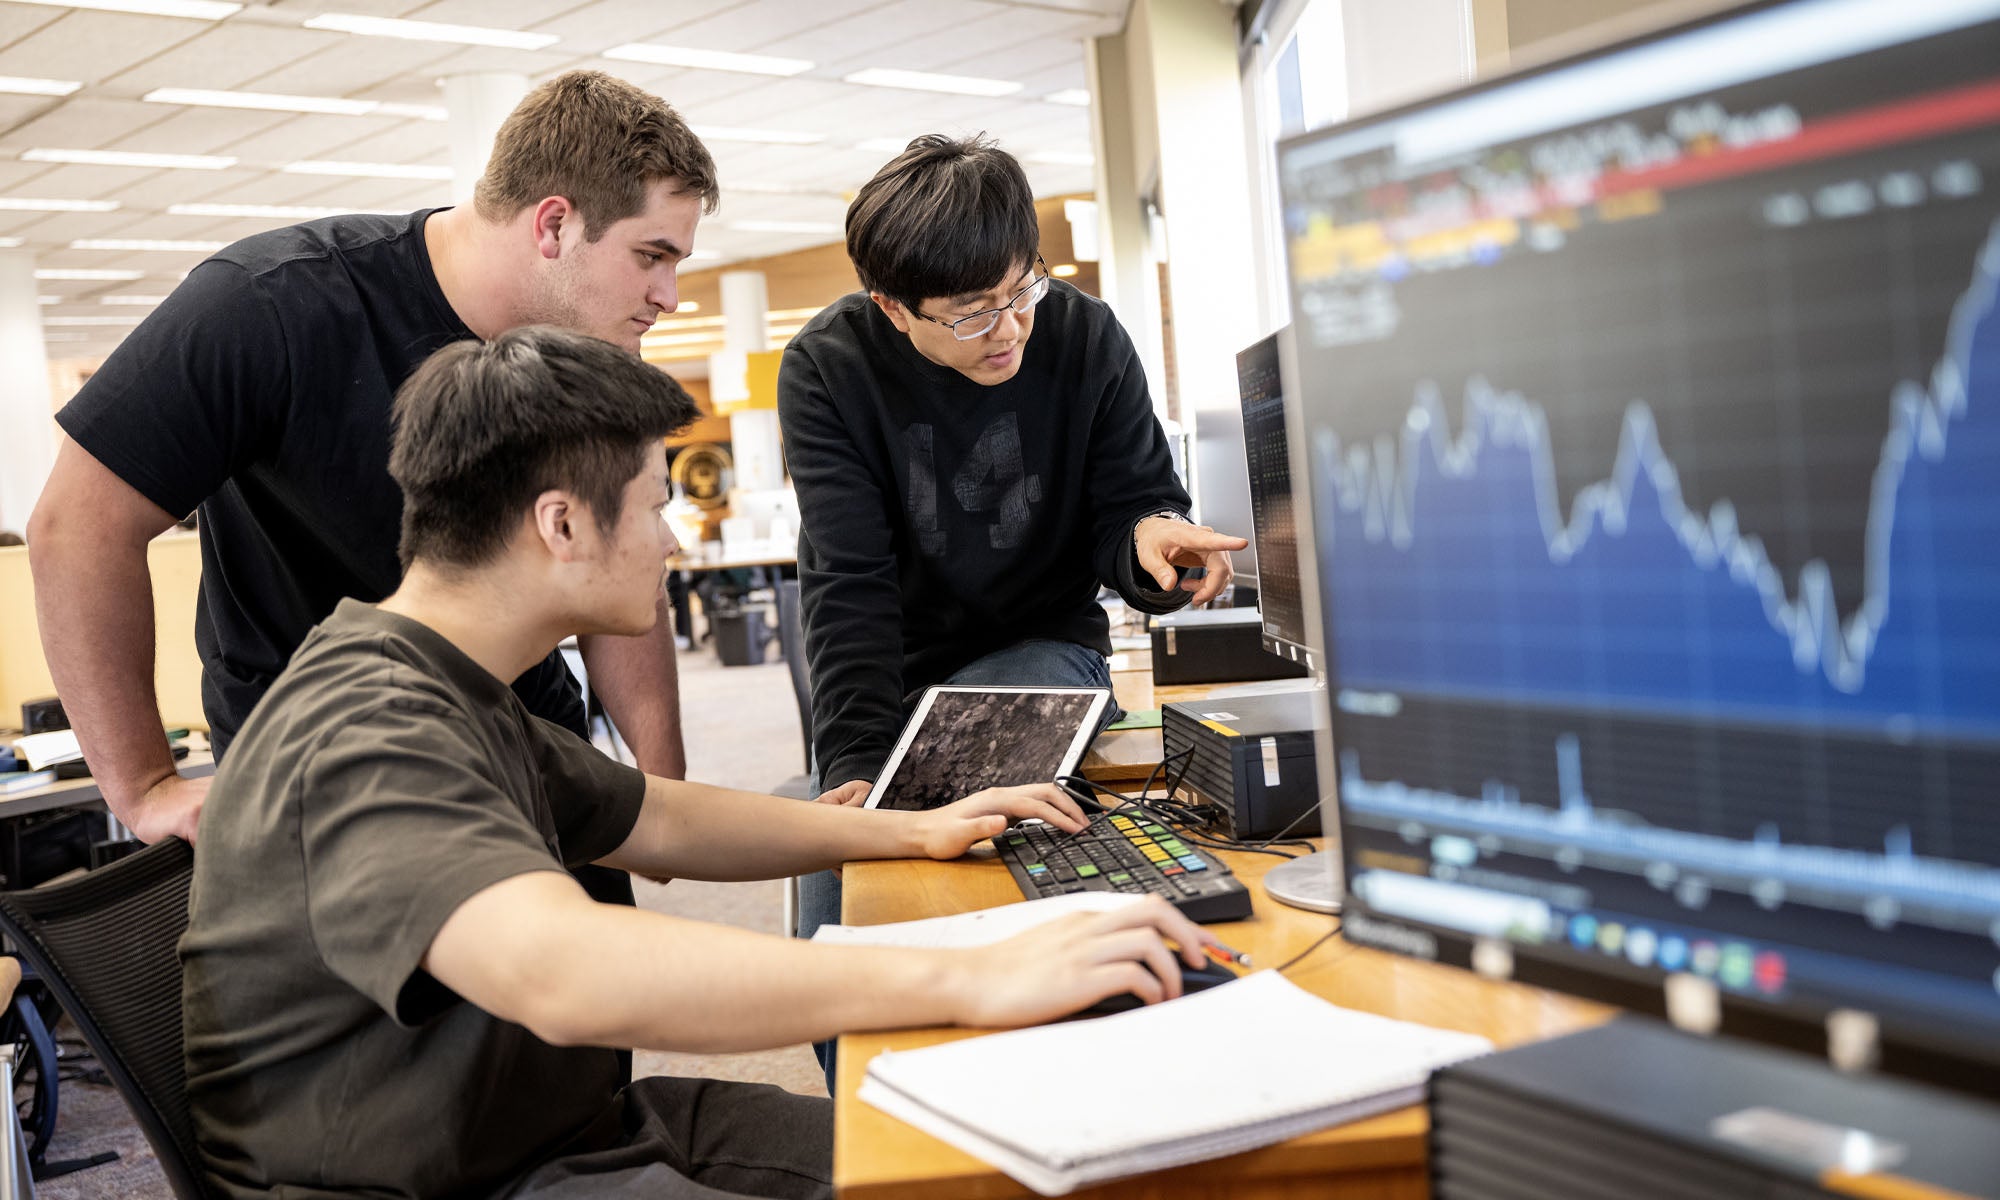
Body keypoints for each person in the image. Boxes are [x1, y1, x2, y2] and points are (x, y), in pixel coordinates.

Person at [180, 326, 1218, 1200]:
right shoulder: (368, 726)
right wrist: (967, 976)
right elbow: (562, 974)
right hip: (459, 1183)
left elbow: (661, 821)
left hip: (568, 1132)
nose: (671, 541)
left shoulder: (442, 683)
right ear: (561, 524)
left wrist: (903, 827)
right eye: (652, 503)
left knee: (972, 1161)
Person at [26, 69, 707, 849]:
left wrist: (660, 799)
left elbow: (618, 559)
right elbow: (75, 526)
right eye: (652, 255)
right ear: (553, 225)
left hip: (528, 752)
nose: (671, 294)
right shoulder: (270, 304)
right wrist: (145, 788)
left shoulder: (591, 349)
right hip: (322, 782)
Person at [777, 135, 1247, 932]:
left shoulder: (1086, 336)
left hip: (1045, 648)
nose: (1010, 330)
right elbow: (850, 578)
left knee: (964, 807)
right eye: (971, 315)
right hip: (893, 674)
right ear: (892, 307)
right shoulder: (828, 369)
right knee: (848, 885)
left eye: (1021, 289)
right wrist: (856, 756)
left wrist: (1149, 538)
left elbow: (1134, 504)